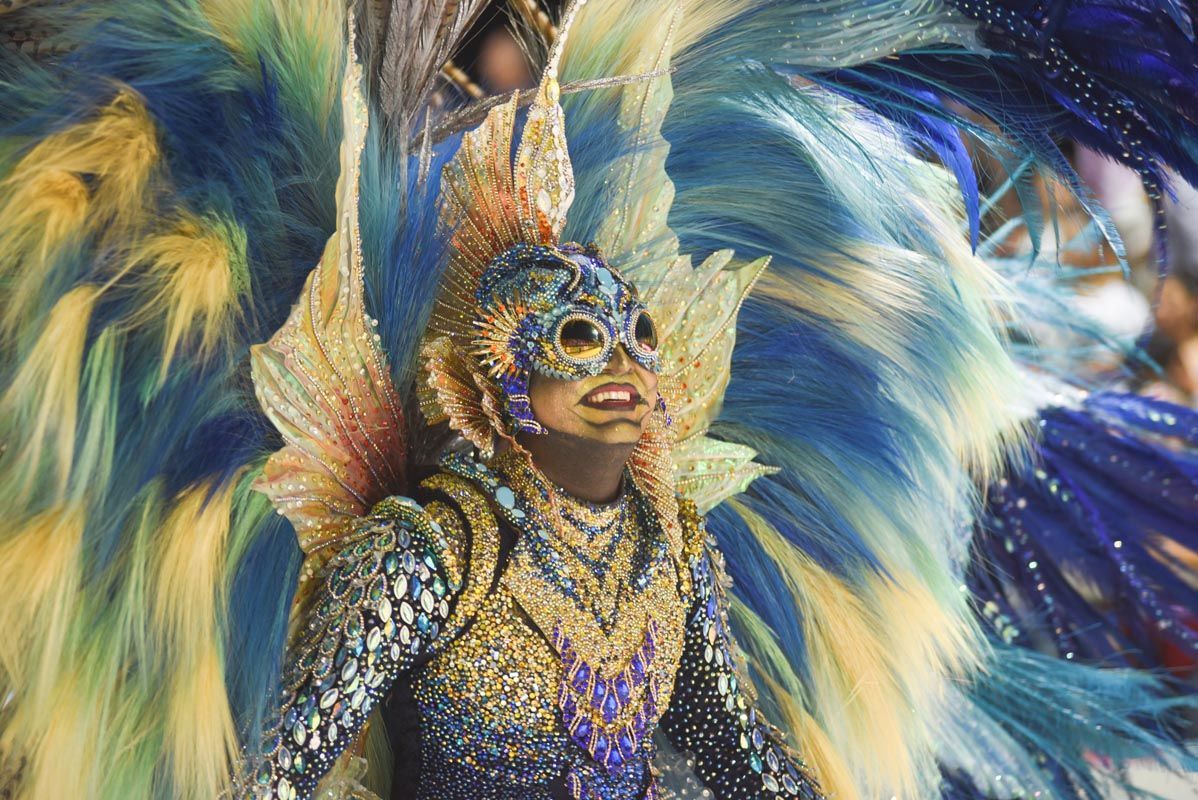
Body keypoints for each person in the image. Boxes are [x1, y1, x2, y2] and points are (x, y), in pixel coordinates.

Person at [2, 2, 1198, 800]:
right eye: (577, 339)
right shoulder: (426, 552)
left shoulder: (670, 549)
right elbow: (285, 769)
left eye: (633, 333)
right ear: (501, 387)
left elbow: (735, 749)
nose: (621, 361)